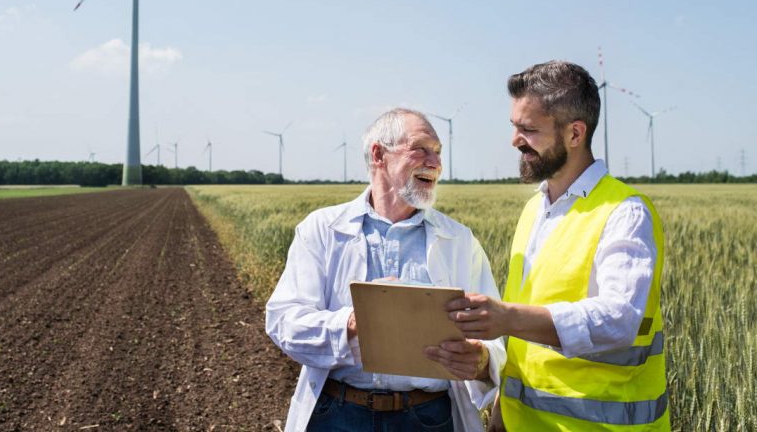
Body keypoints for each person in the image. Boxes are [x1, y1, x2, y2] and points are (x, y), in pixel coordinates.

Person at [446, 61, 669, 431]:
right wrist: (503, 409)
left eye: (528, 129)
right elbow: (527, 336)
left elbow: (619, 321)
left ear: (575, 134)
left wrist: (506, 317)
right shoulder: (535, 208)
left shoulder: (626, 213)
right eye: (515, 127)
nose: (515, 140)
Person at [266, 108, 506, 432]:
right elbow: (283, 321)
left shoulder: (460, 241)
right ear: (379, 154)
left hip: (428, 418)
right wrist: (354, 322)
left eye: (438, 152)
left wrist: (481, 361)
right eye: (421, 148)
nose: (435, 163)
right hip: (336, 414)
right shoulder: (321, 230)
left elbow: (494, 333)